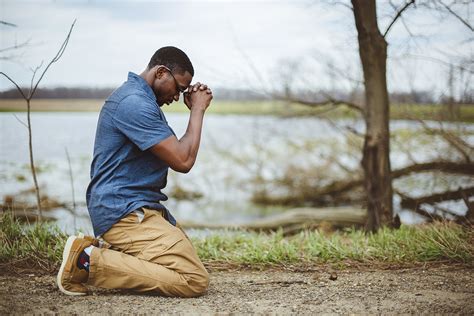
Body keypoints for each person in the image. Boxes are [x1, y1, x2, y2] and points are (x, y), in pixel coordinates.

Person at [57, 46, 213, 297]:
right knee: (192, 279)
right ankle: (84, 261)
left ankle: (114, 252)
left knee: (181, 263)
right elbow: (183, 160)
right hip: (124, 211)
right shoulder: (134, 104)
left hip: (134, 208)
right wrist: (197, 110)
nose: (178, 97)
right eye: (179, 88)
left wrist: (196, 108)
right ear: (161, 73)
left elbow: (182, 152)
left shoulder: (142, 101)